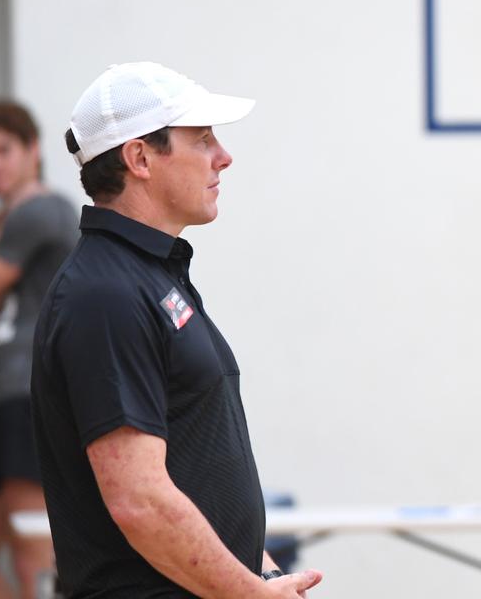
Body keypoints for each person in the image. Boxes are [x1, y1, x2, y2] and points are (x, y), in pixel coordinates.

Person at [29, 62, 322, 597]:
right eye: (203, 139)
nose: (224, 157)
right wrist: (249, 593)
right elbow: (139, 500)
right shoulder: (104, 295)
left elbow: (200, 464)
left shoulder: (148, 276)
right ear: (139, 158)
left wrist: (267, 576)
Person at [0, 100, 77, 598]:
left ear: (33, 150)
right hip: (10, 404)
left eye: (3, 150)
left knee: (36, 561)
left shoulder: (39, 213)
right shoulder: (14, 223)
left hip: (34, 401)